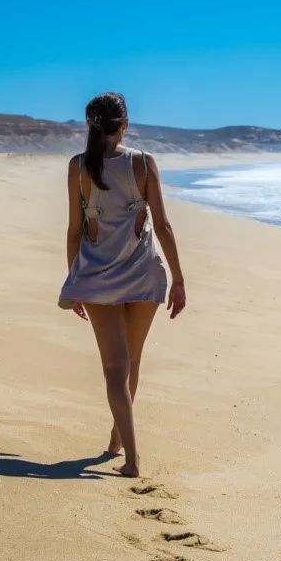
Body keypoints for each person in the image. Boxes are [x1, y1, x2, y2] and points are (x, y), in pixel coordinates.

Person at [59, 92, 186, 478]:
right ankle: (120, 441)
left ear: (90, 126)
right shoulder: (144, 164)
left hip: (98, 278)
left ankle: (130, 457)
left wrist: (75, 280)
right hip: (143, 273)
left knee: (114, 367)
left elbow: (75, 231)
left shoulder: (79, 166)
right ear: (125, 125)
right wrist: (179, 279)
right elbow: (162, 226)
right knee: (131, 360)